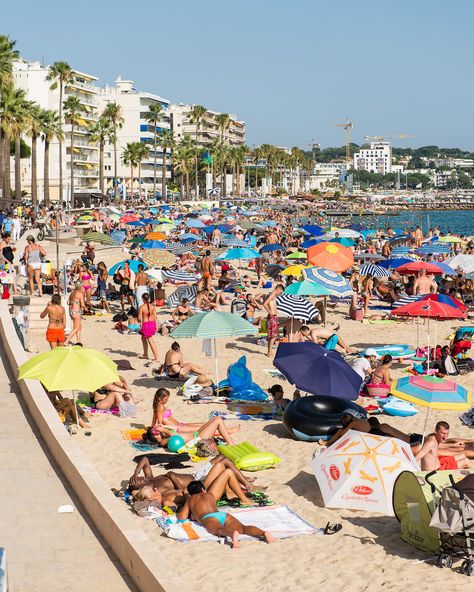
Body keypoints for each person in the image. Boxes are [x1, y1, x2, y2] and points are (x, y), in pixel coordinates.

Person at [177, 480, 274, 549]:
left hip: (208, 518)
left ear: (191, 493)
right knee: (243, 528)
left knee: (219, 529)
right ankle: (263, 533)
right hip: (222, 515)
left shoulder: (190, 499)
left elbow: (182, 518)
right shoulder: (210, 495)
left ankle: (232, 534)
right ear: (203, 489)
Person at [151, 388, 239, 435]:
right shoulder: (159, 407)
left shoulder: (157, 405)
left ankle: (227, 429)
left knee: (203, 424)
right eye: (166, 399)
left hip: (181, 425)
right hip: (179, 429)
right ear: (159, 398)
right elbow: (160, 423)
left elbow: (154, 418)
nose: (167, 401)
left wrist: (151, 427)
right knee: (203, 428)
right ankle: (229, 431)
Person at [149, 416, 238, 447]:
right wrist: (163, 429)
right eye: (158, 433)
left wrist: (163, 427)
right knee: (218, 420)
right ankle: (230, 443)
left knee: (214, 419)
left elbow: (173, 431)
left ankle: (230, 440)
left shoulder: (165, 438)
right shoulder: (162, 442)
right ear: (155, 437)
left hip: (197, 434)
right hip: (199, 438)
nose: (160, 433)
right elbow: (174, 434)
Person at [263, 284, 284, 357]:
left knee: (271, 336)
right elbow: (264, 304)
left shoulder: (273, 295)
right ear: (279, 289)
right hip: (272, 317)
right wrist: (270, 312)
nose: (280, 293)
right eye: (280, 292)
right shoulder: (272, 294)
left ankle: (269, 352)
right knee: (274, 336)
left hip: (273, 317)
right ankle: (270, 351)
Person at [138, 293, 159, 362]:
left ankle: (157, 357)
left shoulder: (142, 307)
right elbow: (155, 317)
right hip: (152, 323)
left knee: (150, 341)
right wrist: (156, 325)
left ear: (143, 299)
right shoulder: (152, 306)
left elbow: (139, 318)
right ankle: (145, 354)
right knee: (143, 338)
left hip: (146, 325)